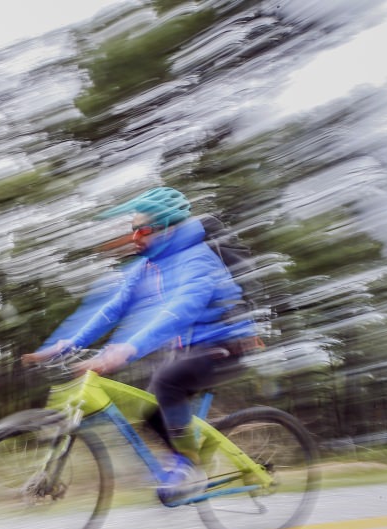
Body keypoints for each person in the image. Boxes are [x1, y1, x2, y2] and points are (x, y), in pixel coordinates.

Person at [22, 186, 260, 502]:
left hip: (225, 343)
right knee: (149, 407)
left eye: (142, 230)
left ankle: (191, 466)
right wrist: (66, 344)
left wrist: (127, 349)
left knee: (166, 382)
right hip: (187, 350)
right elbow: (113, 309)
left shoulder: (197, 258)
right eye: (133, 230)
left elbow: (179, 310)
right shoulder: (147, 266)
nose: (135, 238)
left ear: (166, 227)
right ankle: (186, 456)